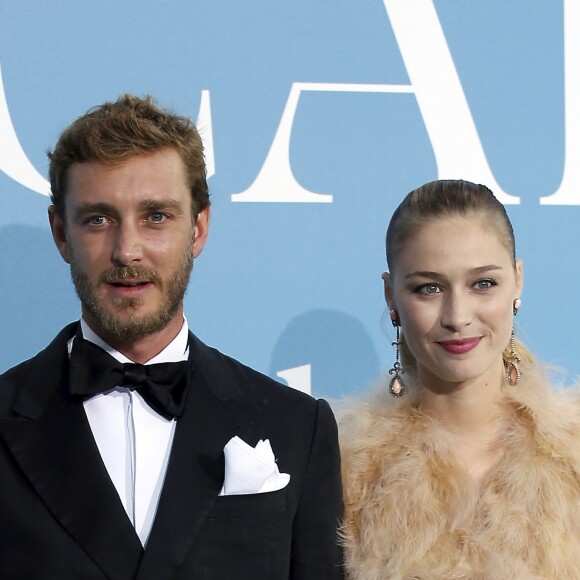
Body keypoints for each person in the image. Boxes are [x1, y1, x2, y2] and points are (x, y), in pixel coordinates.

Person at [0, 94, 343, 579]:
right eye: (99, 219)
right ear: (60, 233)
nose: (128, 250)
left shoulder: (296, 427)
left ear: (199, 227)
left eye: (156, 216)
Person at [338, 179, 580, 578]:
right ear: (390, 296)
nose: (457, 316)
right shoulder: (346, 474)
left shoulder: (571, 457)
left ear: (517, 280)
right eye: (429, 288)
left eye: (483, 283)